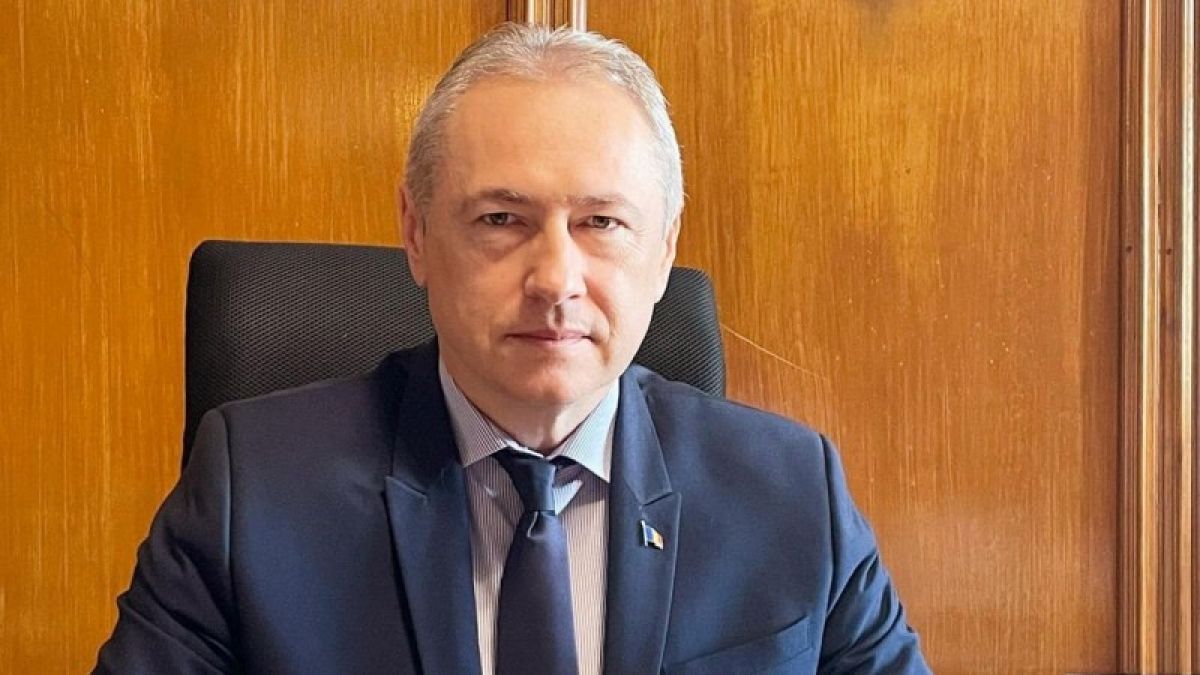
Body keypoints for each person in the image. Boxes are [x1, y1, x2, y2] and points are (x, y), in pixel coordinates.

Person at [96, 22, 930, 674]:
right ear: (416, 233)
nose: (556, 277)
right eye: (502, 219)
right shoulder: (255, 491)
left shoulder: (792, 495)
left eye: (601, 222)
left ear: (665, 248)